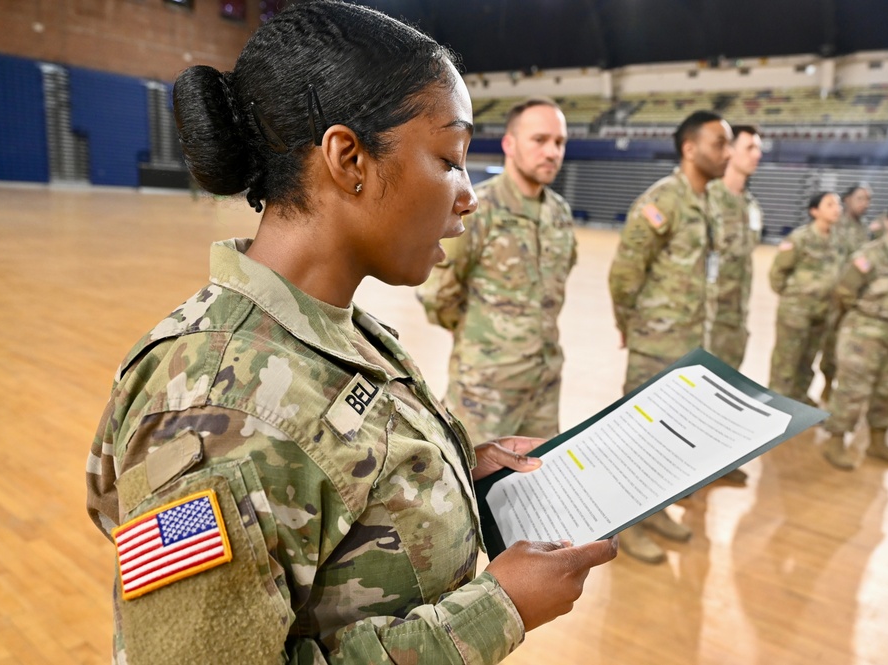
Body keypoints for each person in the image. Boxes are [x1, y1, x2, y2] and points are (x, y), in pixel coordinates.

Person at [84, 4, 617, 663]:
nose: (467, 194)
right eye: (449, 159)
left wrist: (447, 471)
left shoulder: (337, 325)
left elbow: (330, 477)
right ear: (348, 158)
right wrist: (493, 611)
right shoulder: (211, 411)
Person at [608, 110, 731, 564]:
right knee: (638, 439)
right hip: (656, 345)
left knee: (669, 442)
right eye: (720, 142)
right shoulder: (663, 201)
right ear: (690, 148)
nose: (728, 152)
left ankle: (653, 511)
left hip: (690, 346)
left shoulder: (711, 202)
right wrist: (631, 325)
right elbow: (624, 274)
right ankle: (625, 527)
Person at [416, 97, 575, 443]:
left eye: (559, 142)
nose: (552, 152)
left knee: (540, 480)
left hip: (543, 387)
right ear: (510, 144)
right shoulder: (477, 209)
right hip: (485, 391)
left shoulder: (560, 214)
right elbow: (438, 293)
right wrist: (482, 339)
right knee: (473, 486)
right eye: (540, 140)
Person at [823, 201, 888, 470]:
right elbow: (844, 293)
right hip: (865, 335)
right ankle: (835, 441)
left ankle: (878, 442)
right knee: (852, 390)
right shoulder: (869, 256)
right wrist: (863, 320)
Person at [768, 192, 843, 406]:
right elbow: (778, 272)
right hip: (795, 311)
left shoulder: (838, 240)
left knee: (807, 358)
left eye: (837, 204)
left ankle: (799, 398)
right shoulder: (799, 239)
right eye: (829, 204)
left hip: (823, 311)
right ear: (814, 211)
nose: (836, 208)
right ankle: (777, 404)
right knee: (786, 359)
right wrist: (794, 297)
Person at [706, 124, 764, 370]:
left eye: (759, 148)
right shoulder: (707, 198)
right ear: (729, 150)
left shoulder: (751, 207)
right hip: (704, 325)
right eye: (750, 147)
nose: (757, 154)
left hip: (735, 325)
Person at [820, 183, 873, 401]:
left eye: (868, 199)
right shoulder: (834, 224)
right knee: (830, 342)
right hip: (834, 295)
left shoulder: (866, 230)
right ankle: (828, 382)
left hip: (856, 297)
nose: (865, 203)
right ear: (848, 199)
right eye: (860, 198)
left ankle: (845, 386)